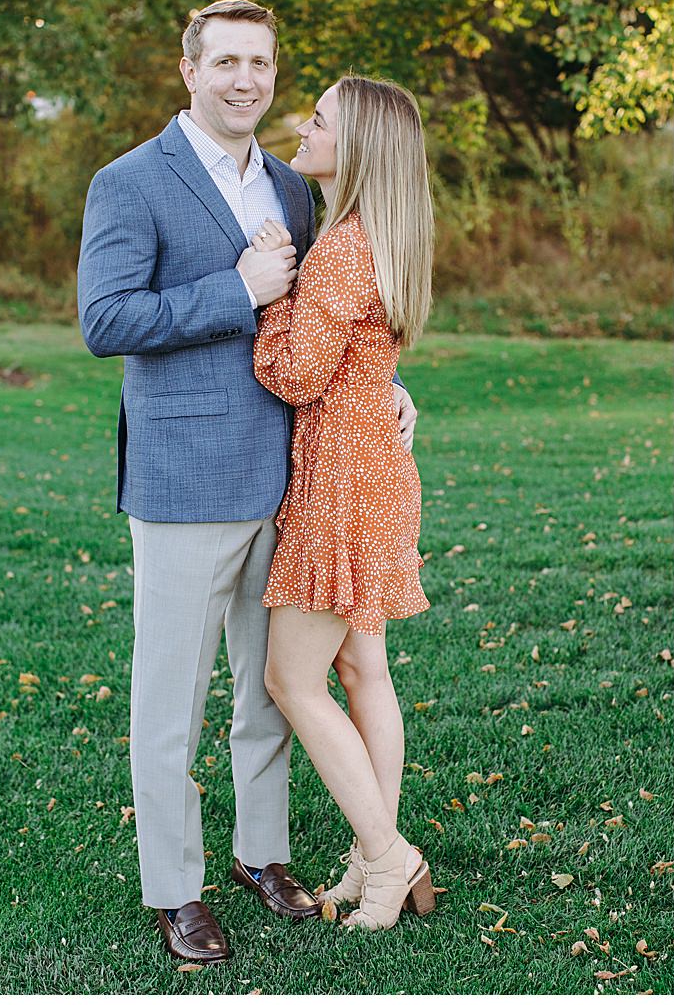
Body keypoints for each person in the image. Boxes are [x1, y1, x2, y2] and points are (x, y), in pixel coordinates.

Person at [77, 0, 418, 964]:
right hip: (184, 479)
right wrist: (237, 291)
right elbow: (105, 320)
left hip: (295, 480)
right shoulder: (130, 182)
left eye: (260, 63)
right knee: (172, 694)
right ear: (188, 70)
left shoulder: (292, 187)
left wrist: (390, 390)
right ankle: (173, 886)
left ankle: (261, 854)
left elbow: (335, 317)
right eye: (224, 60)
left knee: (273, 688)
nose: (245, 81)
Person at [250, 74, 436, 930]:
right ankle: (372, 858)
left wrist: (268, 294)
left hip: (340, 485)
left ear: (353, 145)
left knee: (292, 678)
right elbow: (363, 360)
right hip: (377, 473)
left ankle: (391, 858)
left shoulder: (335, 251)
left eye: (318, 119)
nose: (302, 126)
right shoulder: (381, 236)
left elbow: (292, 375)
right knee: (363, 670)